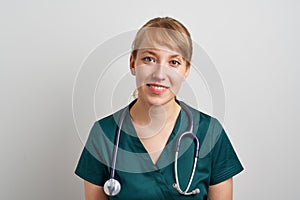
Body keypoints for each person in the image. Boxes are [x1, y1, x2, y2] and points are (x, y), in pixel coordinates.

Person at [75, 16, 243, 200]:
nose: (160, 74)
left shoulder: (209, 132)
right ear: (133, 63)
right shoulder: (103, 134)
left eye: (174, 62)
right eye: (149, 59)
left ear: (186, 70)